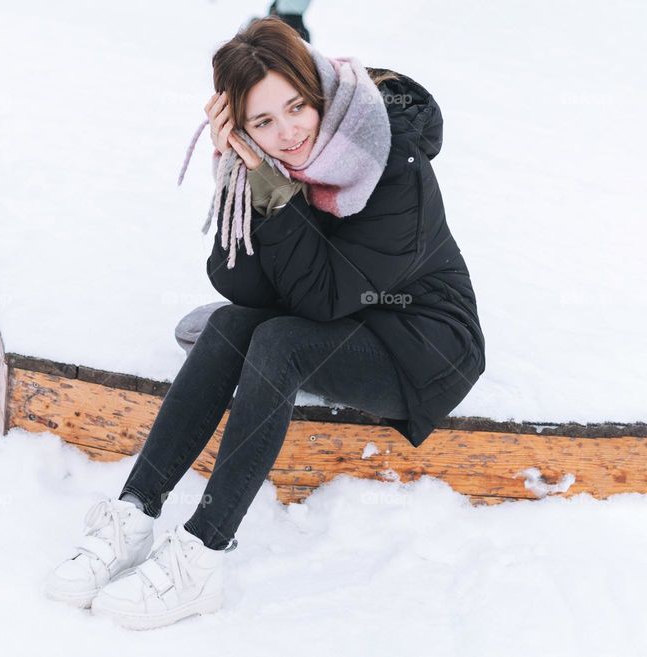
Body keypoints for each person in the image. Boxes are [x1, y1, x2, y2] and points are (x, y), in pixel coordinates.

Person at [45, 16, 485, 630]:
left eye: (296, 107)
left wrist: (274, 197)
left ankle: (203, 553)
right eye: (261, 123)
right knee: (231, 324)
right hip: (348, 310)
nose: (287, 133)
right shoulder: (271, 167)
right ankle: (134, 512)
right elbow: (243, 284)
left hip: (423, 341)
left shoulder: (389, 157)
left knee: (279, 342)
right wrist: (242, 174)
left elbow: (322, 298)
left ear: (317, 90)